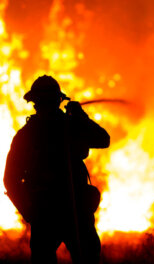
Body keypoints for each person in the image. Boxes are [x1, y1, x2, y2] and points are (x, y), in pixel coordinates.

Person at [4, 75, 110, 264]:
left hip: (66, 210)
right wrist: (29, 211)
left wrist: (80, 118)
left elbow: (103, 140)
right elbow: (10, 179)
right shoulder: (37, 133)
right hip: (57, 212)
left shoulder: (67, 126)